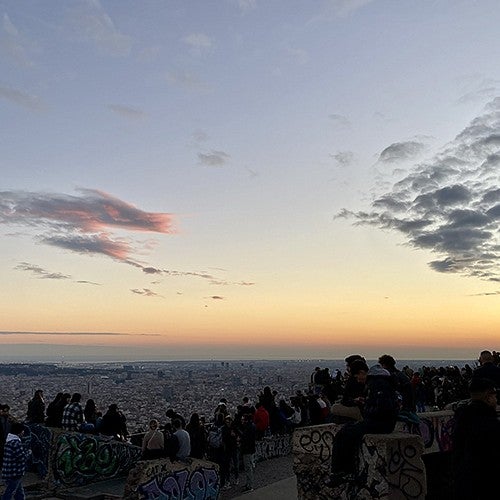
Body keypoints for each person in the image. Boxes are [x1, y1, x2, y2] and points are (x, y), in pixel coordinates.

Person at [328, 364, 399, 486]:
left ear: (362, 372)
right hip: (382, 422)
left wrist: (367, 408)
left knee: (346, 433)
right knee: (346, 431)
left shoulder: (378, 384)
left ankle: (342, 472)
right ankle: (341, 472)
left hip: (381, 423)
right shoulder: (380, 383)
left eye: (357, 377)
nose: (358, 380)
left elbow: (382, 408)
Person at [452, 377, 500, 500]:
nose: (496, 400)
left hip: (464, 482)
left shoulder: (462, 418)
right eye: (494, 396)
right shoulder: (489, 422)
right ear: (487, 396)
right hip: (486, 483)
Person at [1, 422, 31, 500]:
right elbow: (22, 458)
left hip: (8, 471)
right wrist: (28, 453)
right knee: (9, 493)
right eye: (22, 431)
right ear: (19, 431)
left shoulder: (8, 441)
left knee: (19, 492)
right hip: (15, 472)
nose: (23, 432)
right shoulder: (16, 443)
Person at [240, 413, 256, 492]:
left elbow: (245, 439)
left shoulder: (248, 428)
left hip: (247, 450)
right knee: (249, 467)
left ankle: (250, 486)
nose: (241, 421)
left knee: (248, 468)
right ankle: (249, 483)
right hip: (250, 449)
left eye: (243, 419)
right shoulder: (252, 426)